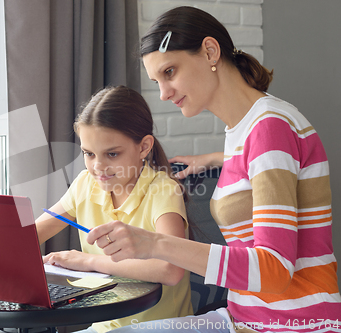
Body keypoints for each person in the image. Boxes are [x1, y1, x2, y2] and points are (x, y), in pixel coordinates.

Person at [87, 6, 341, 333]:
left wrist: (153, 244)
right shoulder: (246, 130)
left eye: (170, 72)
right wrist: (211, 158)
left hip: (294, 324)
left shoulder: (270, 127)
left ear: (210, 51)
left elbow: (275, 271)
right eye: (156, 81)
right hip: (244, 318)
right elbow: (266, 163)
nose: (163, 94)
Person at [35, 85, 194, 333]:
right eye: (89, 153)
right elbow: (32, 235)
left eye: (112, 154)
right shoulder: (85, 184)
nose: (98, 166)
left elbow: (171, 270)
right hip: (105, 327)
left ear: (143, 147)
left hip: (161, 328)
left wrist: (89, 261)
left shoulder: (163, 190)